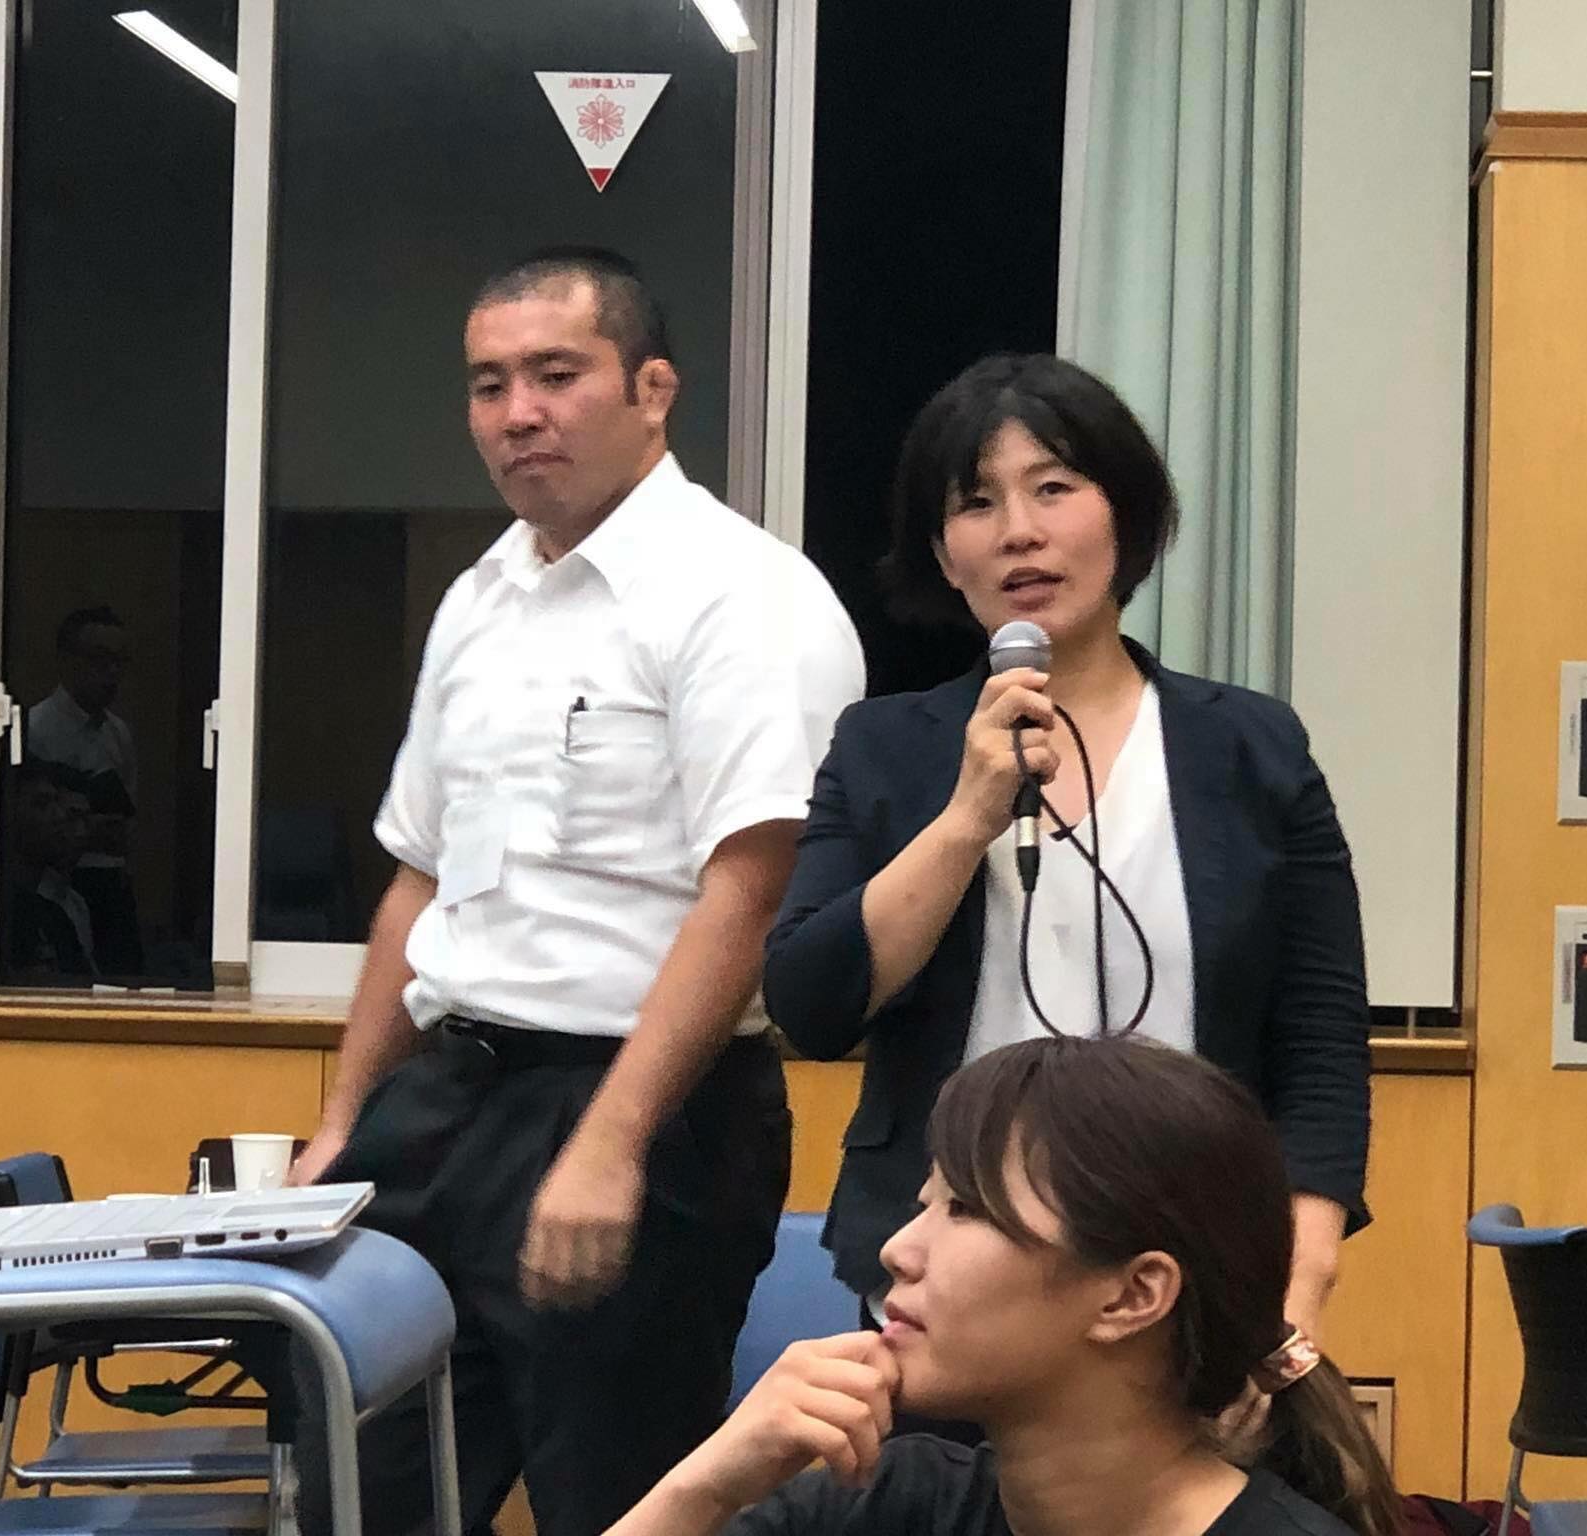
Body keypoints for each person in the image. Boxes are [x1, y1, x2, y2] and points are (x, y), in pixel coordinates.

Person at [287, 246, 865, 1536]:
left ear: (652, 390)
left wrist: (610, 1143)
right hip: (444, 1101)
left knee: (618, 1502)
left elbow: (753, 888)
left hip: (643, 1111)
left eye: (556, 374)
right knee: (364, 1493)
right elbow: (419, 878)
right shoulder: (480, 598)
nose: (518, 413)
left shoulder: (745, 595)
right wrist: (343, 1122)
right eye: (488, 384)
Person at [764, 353, 1371, 1342]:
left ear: (1126, 515)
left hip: (1193, 1276)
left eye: (1053, 488)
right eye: (976, 503)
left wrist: (1299, 1281)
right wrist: (966, 816)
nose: (1019, 531)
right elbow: (810, 1004)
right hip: (942, 1293)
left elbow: (1318, 1040)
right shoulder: (884, 750)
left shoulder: (1250, 748)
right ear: (944, 554)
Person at [608, 1036, 1404, 1536]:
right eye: (922, 1206)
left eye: (966, 1209)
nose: (897, 1251)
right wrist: (702, 1488)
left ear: (1132, 1296)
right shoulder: (892, 1500)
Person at [23, 606, 143, 975]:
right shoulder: (36, 728)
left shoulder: (118, 733)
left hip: (113, 883)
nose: (112, 672)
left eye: (119, 661)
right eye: (99, 659)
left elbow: (127, 820)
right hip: (62, 882)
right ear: (67, 661)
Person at [0, 759, 99, 980]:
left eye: (57, 803)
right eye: (41, 804)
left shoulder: (56, 916)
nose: (59, 816)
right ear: (5, 815)